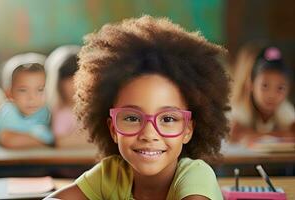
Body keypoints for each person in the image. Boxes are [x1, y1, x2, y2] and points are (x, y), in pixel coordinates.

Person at [47, 15, 229, 199]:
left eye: (168, 119)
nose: (149, 135)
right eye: (132, 118)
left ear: (188, 130)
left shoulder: (196, 176)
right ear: (113, 129)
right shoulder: (111, 174)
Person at [229, 45, 294, 145]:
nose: (271, 95)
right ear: (251, 84)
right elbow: (233, 134)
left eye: (280, 88)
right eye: (264, 86)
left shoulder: (284, 108)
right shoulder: (240, 108)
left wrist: (255, 135)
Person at [0, 63, 54, 149]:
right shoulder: (8, 110)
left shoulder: (44, 110)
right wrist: (45, 141)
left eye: (40, 90)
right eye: (23, 90)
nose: (32, 98)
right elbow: (8, 140)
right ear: (10, 93)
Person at [44, 45, 91, 148]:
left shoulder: (95, 110)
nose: (75, 84)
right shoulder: (59, 112)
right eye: (68, 79)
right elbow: (60, 142)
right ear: (58, 83)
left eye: (80, 77)